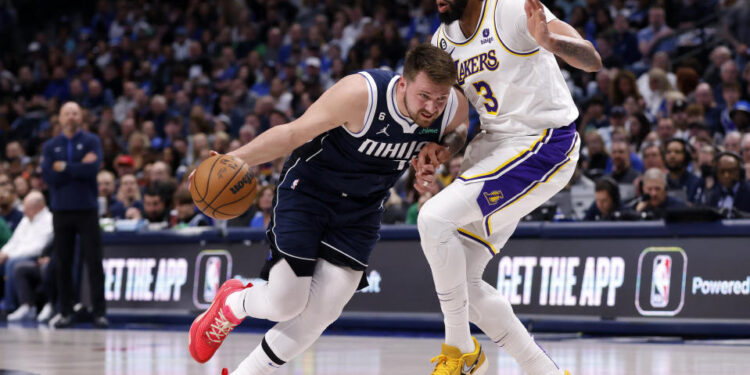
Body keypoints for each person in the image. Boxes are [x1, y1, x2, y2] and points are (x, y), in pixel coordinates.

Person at [188, 44, 469, 375]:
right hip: (309, 192)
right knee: (286, 302)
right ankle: (232, 302)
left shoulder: (453, 106)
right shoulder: (361, 94)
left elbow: (460, 131)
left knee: (325, 309)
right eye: (424, 97)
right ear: (403, 83)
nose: (432, 108)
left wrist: (441, 151)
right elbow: (293, 132)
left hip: (362, 209)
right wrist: (237, 159)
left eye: (439, 99)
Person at [416, 0, 601, 373]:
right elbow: (473, 116)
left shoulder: (512, 9)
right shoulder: (443, 41)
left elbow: (592, 59)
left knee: (433, 219)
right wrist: (444, 148)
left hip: (544, 141)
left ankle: (459, 351)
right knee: (463, 281)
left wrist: (552, 42)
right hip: (494, 150)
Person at [40, 101, 108, 329]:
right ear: (59, 118)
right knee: (63, 263)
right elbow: (49, 176)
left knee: (93, 261)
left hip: (87, 209)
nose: (71, 117)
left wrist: (64, 167)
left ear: (81, 117)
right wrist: (77, 166)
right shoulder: (50, 146)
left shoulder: (91, 141)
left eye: (75, 113)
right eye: (66, 113)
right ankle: (65, 311)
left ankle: (100, 312)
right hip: (61, 210)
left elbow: (92, 168)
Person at [2, 191, 53, 320]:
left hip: (35, 257)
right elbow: (14, 241)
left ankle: (11, 306)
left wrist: (10, 255)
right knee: (7, 261)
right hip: (17, 255)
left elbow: (38, 248)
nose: (23, 211)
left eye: (27, 208)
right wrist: (4, 252)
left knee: (13, 263)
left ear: (38, 207)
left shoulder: (48, 220)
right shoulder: (26, 220)